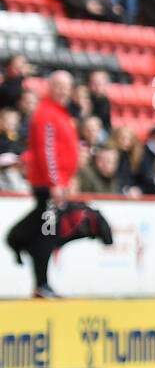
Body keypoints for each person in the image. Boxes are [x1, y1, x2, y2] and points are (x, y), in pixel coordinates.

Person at [5, 70, 80, 297]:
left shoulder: (59, 113)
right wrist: (55, 182)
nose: (64, 90)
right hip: (49, 185)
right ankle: (41, 282)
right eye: (59, 85)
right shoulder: (47, 113)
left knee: (43, 230)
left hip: (54, 184)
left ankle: (16, 239)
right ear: (49, 86)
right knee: (47, 233)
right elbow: (47, 151)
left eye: (67, 85)